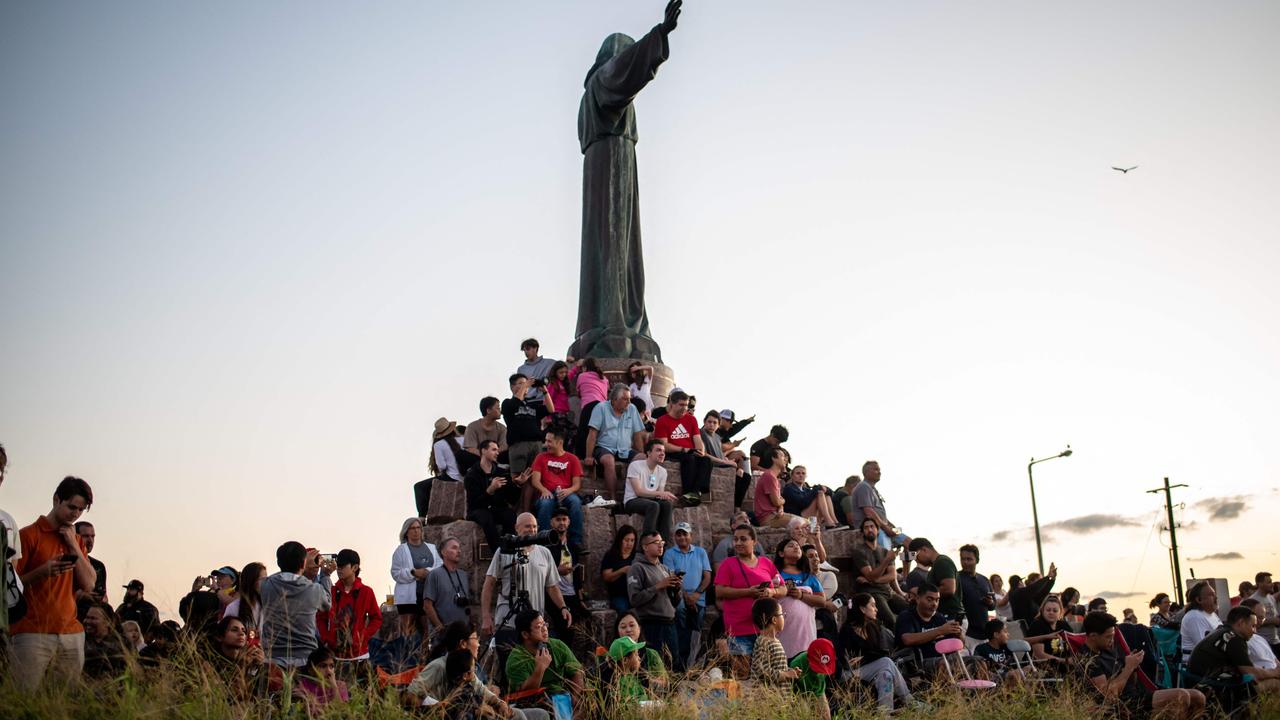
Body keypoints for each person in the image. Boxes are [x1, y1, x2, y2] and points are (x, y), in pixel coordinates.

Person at [8, 475, 97, 689]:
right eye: (71, 507)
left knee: (62, 704)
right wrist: (42, 572)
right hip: (31, 631)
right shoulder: (28, 535)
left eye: (80, 510)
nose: (75, 514)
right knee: (23, 699)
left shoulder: (74, 539)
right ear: (56, 500)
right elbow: (10, 586)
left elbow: (89, 584)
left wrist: (74, 546)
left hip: (71, 633)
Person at [407, 621, 546, 719]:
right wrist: (439, 706)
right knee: (520, 716)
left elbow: (481, 690)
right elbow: (410, 695)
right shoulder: (439, 666)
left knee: (541, 714)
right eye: (475, 638)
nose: (479, 643)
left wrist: (500, 703)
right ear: (463, 644)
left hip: (482, 710)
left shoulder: (469, 666)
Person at [1081, 611, 1207, 718]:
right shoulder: (1089, 659)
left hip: (1137, 693)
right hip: (1127, 703)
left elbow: (1132, 682)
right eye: (1108, 637)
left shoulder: (1109, 648)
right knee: (1181, 696)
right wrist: (1128, 667)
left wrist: (1134, 666)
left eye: (1113, 636)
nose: (1112, 641)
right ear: (1093, 636)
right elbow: (1107, 695)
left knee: (1198, 696)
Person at [481, 513, 572, 641]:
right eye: (528, 526)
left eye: (535, 526)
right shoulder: (505, 550)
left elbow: (552, 586)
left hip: (534, 626)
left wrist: (563, 607)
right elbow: (489, 583)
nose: (532, 530)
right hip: (508, 622)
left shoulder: (544, 553)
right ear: (516, 528)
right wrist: (486, 616)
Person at [714, 524, 785, 679]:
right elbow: (719, 591)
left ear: (754, 541)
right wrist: (748, 592)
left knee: (767, 674)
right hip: (739, 629)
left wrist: (772, 591)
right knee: (742, 675)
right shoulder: (728, 564)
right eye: (736, 539)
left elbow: (783, 588)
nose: (738, 543)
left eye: (743, 539)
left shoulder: (766, 563)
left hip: (765, 629)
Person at [838, 592, 916, 714]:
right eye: (873, 605)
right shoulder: (847, 630)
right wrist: (867, 658)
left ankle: (884, 714)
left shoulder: (873, 627)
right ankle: (909, 701)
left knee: (886, 674)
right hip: (850, 673)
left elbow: (882, 652)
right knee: (886, 662)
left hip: (872, 670)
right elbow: (846, 660)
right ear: (863, 609)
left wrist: (865, 658)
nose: (876, 609)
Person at [260, 542, 331, 668]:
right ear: (303, 563)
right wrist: (325, 575)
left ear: (278, 563)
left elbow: (275, 577)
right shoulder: (315, 589)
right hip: (306, 658)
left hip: (272, 658)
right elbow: (327, 605)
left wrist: (293, 566)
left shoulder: (266, 585)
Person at [1187, 605, 1280, 692]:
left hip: (1201, 683)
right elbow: (1251, 673)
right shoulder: (1234, 639)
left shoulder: (1222, 632)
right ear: (1241, 623)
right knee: (1275, 683)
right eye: (1253, 626)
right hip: (1215, 687)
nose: (1255, 631)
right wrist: (1275, 672)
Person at [504, 609, 584, 706]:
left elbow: (577, 672)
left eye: (545, 624)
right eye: (539, 627)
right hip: (537, 702)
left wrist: (575, 697)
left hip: (564, 695)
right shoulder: (516, 660)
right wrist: (540, 668)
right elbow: (525, 695)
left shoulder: (557, 645)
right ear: (525, 634)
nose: (545, 629)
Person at [585, 384, 646, 504]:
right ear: (614, 400)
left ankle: (632, 495)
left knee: (643, 458)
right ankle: (613, 499)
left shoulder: (632, 409)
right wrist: (588, 456)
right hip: (604, 447)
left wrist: (641, 452)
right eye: (625, 399)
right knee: (608, 460)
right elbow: (592, 434)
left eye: (629, 399)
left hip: (625, 449)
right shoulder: (601, 408)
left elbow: (637, 435)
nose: (628, 402)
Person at [662, 521, 711, 671]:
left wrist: (696, 594)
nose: (682, 537)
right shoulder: (669, 553)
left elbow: (707, 576)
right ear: (675, 537)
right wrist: (686, 597)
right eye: (679, 534)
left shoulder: (700, 552)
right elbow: (672, 577)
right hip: (679, 596)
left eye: (685, 534)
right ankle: (680, 664)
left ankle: (693, 663)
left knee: (696, 628)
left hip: (699, 597)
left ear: (691, 536)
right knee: (681, 623)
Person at [466, 439, 531, 551]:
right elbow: (474, 502)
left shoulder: (501, 472)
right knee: (486, 518)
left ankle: (509, 548)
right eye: (494, 449)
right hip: (478, 509)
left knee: (510, 515)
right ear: (484, 451)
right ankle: (498, 551)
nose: (497, 453)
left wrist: (518, 485)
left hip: (497, 508)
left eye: (497, 450)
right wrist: (490, 490)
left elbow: (512, 499)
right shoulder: (472, 474)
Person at [627, 531, 679, 664]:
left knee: (673, 664)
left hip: (669, 622)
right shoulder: (637, 568)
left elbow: (675, 601)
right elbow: (635, 599)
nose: (660, 546)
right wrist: (658, 586)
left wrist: (676, 588)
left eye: (662, 543)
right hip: (651, 624)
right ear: (645, 547)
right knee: (653, 666)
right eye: (656, 543)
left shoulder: (664, 568)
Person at [774, 538, 831, 658]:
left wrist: (801, 595)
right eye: (791, 546)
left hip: (806, 631)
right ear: (781, 553)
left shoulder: (808, 576)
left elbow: (821, 601)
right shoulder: (775, 574)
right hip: (782, 630)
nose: (796, 547)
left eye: (798, 546)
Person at [321, 549, 381, 660]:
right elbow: (320, 617)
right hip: (335, 655)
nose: (339, 569)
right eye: (338, 566)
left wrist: (362, 637)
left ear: (355, 567)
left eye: (343, 566)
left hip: (359, 655)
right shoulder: (331, 591)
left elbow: (377, 618)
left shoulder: (366, 591)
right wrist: (327, 638)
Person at [653, 390, 712, 503]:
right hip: (674, 451)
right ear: (672, 404)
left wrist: (701, 451)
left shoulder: (691, 419)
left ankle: (694, 493)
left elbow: (697, 439)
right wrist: (684, 449)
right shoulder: (662, 421)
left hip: (689, 451)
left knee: (706, 460)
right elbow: (663, 444)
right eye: (681, 405)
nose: (685, 408)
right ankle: (687, 492)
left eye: (686, 405)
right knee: (689, 458)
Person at [530, 427, 585, 548]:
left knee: (575, 502)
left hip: (566, 492)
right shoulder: (541, 457)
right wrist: (544, 490)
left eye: (549, 441)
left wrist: (568, 491)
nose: (546, 444)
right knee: (545, 504)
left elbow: (577, 484)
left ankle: (576, 541)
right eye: (546, 441)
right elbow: (535, 481)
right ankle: (544, 540)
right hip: (547, 492)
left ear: (560, 442)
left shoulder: (572, 459)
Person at [391, 517, 440, 640]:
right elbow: (395, 572)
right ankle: (407, 658)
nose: (416, 531)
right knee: (407, 633)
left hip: (427, 595)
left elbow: (440, 566)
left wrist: (427, 572)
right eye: (412, 528)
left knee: (426, 632)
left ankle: (423, 658)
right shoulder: (401, 550)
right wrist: (413, 573)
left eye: (418, 528)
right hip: (408, 598)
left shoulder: (432, 548)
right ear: (406, 531)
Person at [895, 582, 963, 670]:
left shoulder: (939, 618)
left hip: (941, 658)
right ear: (918, 599)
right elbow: (908, 640)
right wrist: (940, 631)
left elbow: (959, 645)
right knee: (944, 664)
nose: (934, 604)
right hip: (915, 663)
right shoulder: (906, 616)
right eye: (930, 599)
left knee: (977, 661)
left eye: (937, 600)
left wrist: (958, 634)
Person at [852, 518, 907, 627]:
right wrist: (886, 561)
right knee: (890, 620)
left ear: (877, 530)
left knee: (911, 611)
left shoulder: (885, 551)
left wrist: (873, 580)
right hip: (873, 593)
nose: (870, 529)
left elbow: (892, 575)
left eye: (872, 527)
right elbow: (870, 575)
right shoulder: (859, 552)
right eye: (866, 528)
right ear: (863, 532)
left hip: (888, 591)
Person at [623, 439, 676, 544]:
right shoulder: (636, 465)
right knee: (654, 506)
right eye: (658, 450)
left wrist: (665, 496)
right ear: (648, 453)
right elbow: (638, 492)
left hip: (650, 500)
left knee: (666, 505)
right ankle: (648, 542)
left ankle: (662, 544)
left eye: (663, 451)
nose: (662, 454)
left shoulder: (662, 471)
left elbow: (659, 495)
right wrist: (661, 493)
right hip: (632, 500)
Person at [544, 508, 585, 642]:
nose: (561, 522)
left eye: (564, 519)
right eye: (558, 519)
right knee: (564, 627)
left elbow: (577, 575)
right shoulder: (546, 547)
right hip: (554, 595)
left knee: (585, 623)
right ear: (551, 522)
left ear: (569, 522)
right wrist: (557, 570)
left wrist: (581, 600)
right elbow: (541, 572)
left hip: (571, 594)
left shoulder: (573, 546)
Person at [849, 462, 910, 550]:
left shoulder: (873, 489)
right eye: (876, 469)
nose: (879, 472)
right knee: (886, 554)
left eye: (879, 470)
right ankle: (887, 560)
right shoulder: (863, 487)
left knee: (911, 545)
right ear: (866, 472)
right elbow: (869, 512)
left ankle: (908, 562)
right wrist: (886, 529)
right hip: (875, 529)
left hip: (884, 527)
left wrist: (893, 527)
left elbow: (879, 514)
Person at [908, 538, 965, 630]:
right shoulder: (935, 566)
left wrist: (922, 595)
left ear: (924, 550)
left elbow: (948, 588)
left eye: (916, 556)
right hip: (945, 618)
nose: (917, 561)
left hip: (951, 618)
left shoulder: (942, 561)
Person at [207, 615, 266, 703]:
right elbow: (234, 696)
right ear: (220, 637)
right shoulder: (209, 664)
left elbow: (253, 696)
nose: (241, 634)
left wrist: (258, 666)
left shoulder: (249, 659)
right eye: (234, 630)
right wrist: (242, 666)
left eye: (244, 631)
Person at [503, 374, 551, 475]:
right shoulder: (507, 403)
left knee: (534, 477)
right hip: (518, 444)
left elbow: (551, 409)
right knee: (518, 477)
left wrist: (545, 391)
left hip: (536, 444)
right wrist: (525, 385)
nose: (525, 385)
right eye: (520, 383)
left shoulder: (532, 405)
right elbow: (515, 404)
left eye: (525, 383)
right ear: (512, 387)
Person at [424, 538, 472, 636]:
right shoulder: (434, 575)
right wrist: (439, 628)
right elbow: (427, 606)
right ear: (443, 552)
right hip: (444, 635)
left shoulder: (463, 575)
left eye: (459, 548)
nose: (458, 551)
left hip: (463, 633)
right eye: (454, 548)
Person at [750, 597, 801, 684]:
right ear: (774, 620)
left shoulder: (774, 641)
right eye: (782, 614)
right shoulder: (763, 642)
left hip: (779, 695)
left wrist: (790, 671)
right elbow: (762, 672)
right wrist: (787, 674)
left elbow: (776, 667)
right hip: (767, 695)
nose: (784, 617)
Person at [569, 357, 610, 457]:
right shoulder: (604, 378)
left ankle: (582, 457)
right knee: (599, 433)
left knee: (583, 432)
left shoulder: (582, 376)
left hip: (589, 405)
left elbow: (579, 392)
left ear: (585, 367)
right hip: (603, 407)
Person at [957, 544, 995, 649]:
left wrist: (990, 602)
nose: (965, 562)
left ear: (977, 560)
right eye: (963, 559)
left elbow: (993, 606)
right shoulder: (956, 579)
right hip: (967, 633)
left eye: (969, 559)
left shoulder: (985, 580)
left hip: (985, 633)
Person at [293, 646, 350, 715]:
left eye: (331, 666)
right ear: (311, 670)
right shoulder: (303, 686)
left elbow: (342, 711)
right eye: (323, 666)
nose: (329, 671)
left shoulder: (340, 685)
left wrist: (334, 687)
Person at [1026, 594, 1073, 672]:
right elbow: (1039, 655)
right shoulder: (1038, 624)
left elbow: (1073, 644)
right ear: (1042, 611)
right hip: (1042, 667)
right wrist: (1065, 661)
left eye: (1055, 611)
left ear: (1060, 612)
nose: (1051, 613)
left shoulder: (1063, 625)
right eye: (1048, 610)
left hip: (1062, 666)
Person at [81, 601, 126, 679]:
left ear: (108, 622)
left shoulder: (123, 643)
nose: (87, 621)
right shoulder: (80, 641)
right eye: (87, 617)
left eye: (93, 618)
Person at [222, 561, 267, 638]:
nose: (266, 582)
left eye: (267, 579)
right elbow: (227, 634)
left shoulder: (269, 605)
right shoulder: (234, 607)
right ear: (251, 581)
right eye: (262, 579)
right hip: (244, 649)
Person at [1181, 581, 1223, 664]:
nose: (1216, 597)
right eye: (1211, 595)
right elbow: (1203, 648)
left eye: (1214, 594)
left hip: (1214, 661)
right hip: (1199, 666)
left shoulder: (1212, 614)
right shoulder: (1194, 617)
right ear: (1199, 599)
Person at [753, 447, 795, 528]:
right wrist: (784, 501)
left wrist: (781, 508)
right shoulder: (769, 476)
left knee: (808, 524)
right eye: (782, 456)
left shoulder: (774, 477)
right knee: (804, 524)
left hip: (775, 515)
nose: (786, 459)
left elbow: (779, 500)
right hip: (768, 518)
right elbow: (776, 502)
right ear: (774, 458)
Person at [972, 619, 1024, 685]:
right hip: (993, 678)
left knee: (1029, 669)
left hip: (1010, 675)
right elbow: (980, 671)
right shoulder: (981, 649)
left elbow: (1014, 666)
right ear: (996, 634)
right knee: (1014, 674)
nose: (1008, 634)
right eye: (1005, 631)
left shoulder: (1007, 648)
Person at [600, 524, 638, 613]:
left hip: (635, 594)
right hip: (619, 595)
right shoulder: (611, 555)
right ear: (620, 540)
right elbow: (606, 577)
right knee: (623, 610)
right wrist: (622, 570)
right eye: (626, 540)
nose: (629, 544)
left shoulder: (637, 556)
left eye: (632, 540)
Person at [73, 521, 107, 610]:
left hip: (91, 616)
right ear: (75, 537)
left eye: (92, 536)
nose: (90, 540)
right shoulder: (67, 561)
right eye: (85, 536)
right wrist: (81, 595)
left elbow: (104, 597)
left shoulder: (98, 566)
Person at [607, 636, 651, 702]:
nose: (639, 658)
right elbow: (629, 705)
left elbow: (643, 696)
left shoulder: (632, 678)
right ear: (625, 660)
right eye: (636, 654)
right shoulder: (620, 684)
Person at [1240, 599, 1279, 671]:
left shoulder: (1260, 639)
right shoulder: (1240, 642)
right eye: (1259, 618)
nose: (1261, 622)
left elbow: (1276, 661)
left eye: (1263, 618)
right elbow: (1250, 672)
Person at [431, 417, 469, 483]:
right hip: (467, 476)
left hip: (452, 477)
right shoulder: (463, 439)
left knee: (419, 486)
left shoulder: (438, 445)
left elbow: (442, 466)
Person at [1249, 571, 1279, 654]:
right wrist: (1272, 621)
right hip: (1262, 642)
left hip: (1275, 641)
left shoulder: (1271, 598)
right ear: (1260, 584)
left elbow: (1275, 616)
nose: (1272, 584)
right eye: (1269, 582)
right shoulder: (1253, 600)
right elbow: (1250, 622)